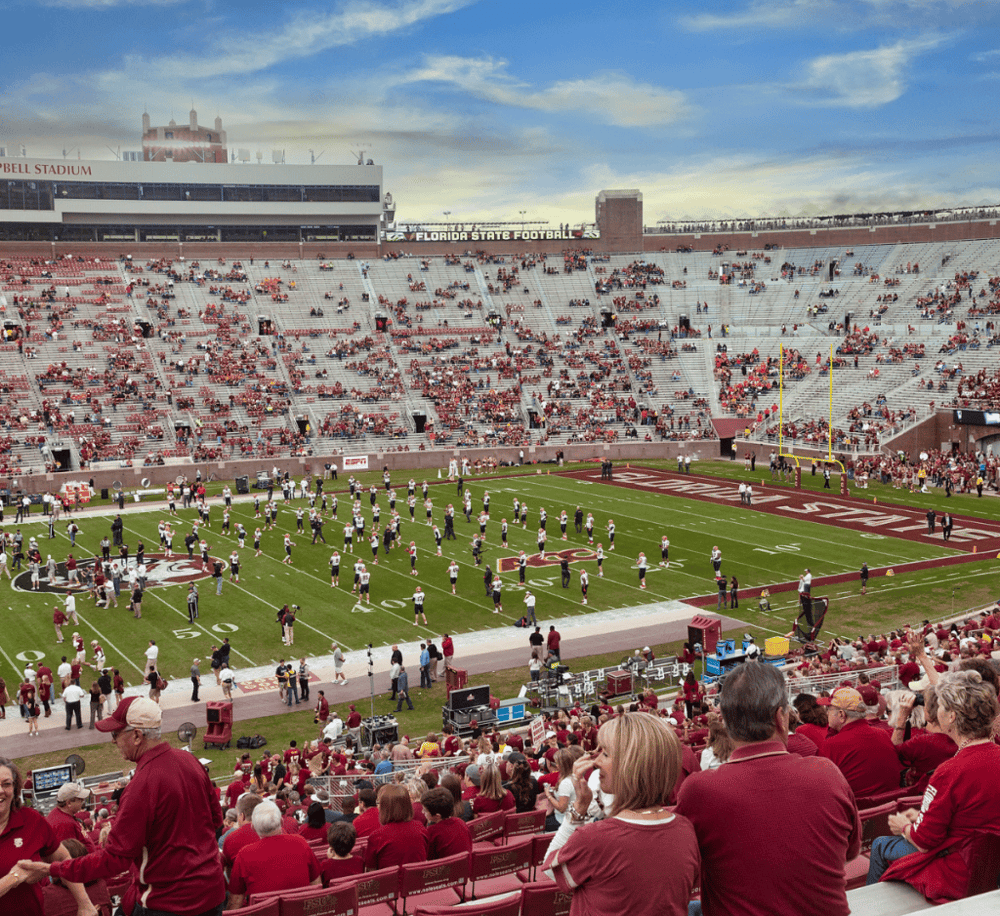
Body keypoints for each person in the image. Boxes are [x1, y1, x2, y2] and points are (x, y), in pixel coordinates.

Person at [676, 663, 860, 916]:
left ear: (727, 724)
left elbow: (682, 875)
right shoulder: (826, 773)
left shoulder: (698, 790)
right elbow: (850, 852)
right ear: (780, 718)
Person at [17, 697, 225, 916]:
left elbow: (114, 859)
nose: (113, 741)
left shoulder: (141, 786)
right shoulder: (189, 760)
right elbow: (215, 822)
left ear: (136, 735)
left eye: (116, 734)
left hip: (169, 904)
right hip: (212, 893)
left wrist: (52, 868)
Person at [543, 713, 699, 916]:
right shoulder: (685, 828)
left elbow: (549, 869)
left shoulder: (595, 838)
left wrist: (578, 810)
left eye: (605, 754)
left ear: (630, 767)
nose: (596, 761)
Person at [867, 669, 1000, 901]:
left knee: (880, 844)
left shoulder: (950, 771)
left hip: (959, 874)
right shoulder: (971, 762)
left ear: (951, 717)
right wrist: (921, 816)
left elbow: (925, 841)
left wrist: (904, 827)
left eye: (940, 706)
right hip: (990, 868)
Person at [0, 757, 97, 916]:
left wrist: (84, 903)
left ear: (15, 787)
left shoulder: (31, 819)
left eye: (6, 784)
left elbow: (63, 858)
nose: (1, 790)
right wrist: (13, 878)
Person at [227, 800, 320, 909]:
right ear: (281, 822)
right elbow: (317, 886)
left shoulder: (244, 854)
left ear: (253, 827)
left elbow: (235, 902)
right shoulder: (301, 842)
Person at [819, 685, 903, 798]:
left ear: (841, 714)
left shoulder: (831, 745)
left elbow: (823, 789)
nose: (827, 713)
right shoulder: (883, 734)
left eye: (829, 709)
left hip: (858, 811)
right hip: (891, 808)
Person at [362, 784, 428, 870]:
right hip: (416, 882)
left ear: (384, 807)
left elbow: (371, 872)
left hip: (389, 882)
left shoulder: (377, 836)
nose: (377, 806)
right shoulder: (420, 828)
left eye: (379, 803)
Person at [423, 787, 473, 859]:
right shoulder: (460, 822)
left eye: (425, 810)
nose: (422, 812)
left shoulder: (431, 831)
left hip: (447, 868)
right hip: (466, 866)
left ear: (437, 816)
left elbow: (429, 858)